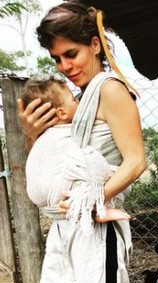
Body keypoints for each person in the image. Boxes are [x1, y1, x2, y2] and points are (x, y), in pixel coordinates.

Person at [18, 1, 146, 283]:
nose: (64, 65)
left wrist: (92, 200)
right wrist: (32, 136)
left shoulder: (108, 90)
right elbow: (56, 163)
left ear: (94, 44)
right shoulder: (77, 98)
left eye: (70, 54)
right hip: (68, 222)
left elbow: (135, 162)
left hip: (96, 219)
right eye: (57, 58)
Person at [22, 76, 131, 229]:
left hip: (37, 192)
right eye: (74, 99)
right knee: (92, 164)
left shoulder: (42, 138)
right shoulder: (68, 132)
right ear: (62, 113)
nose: (79, 101)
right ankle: (99, 210)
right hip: (61, 192)